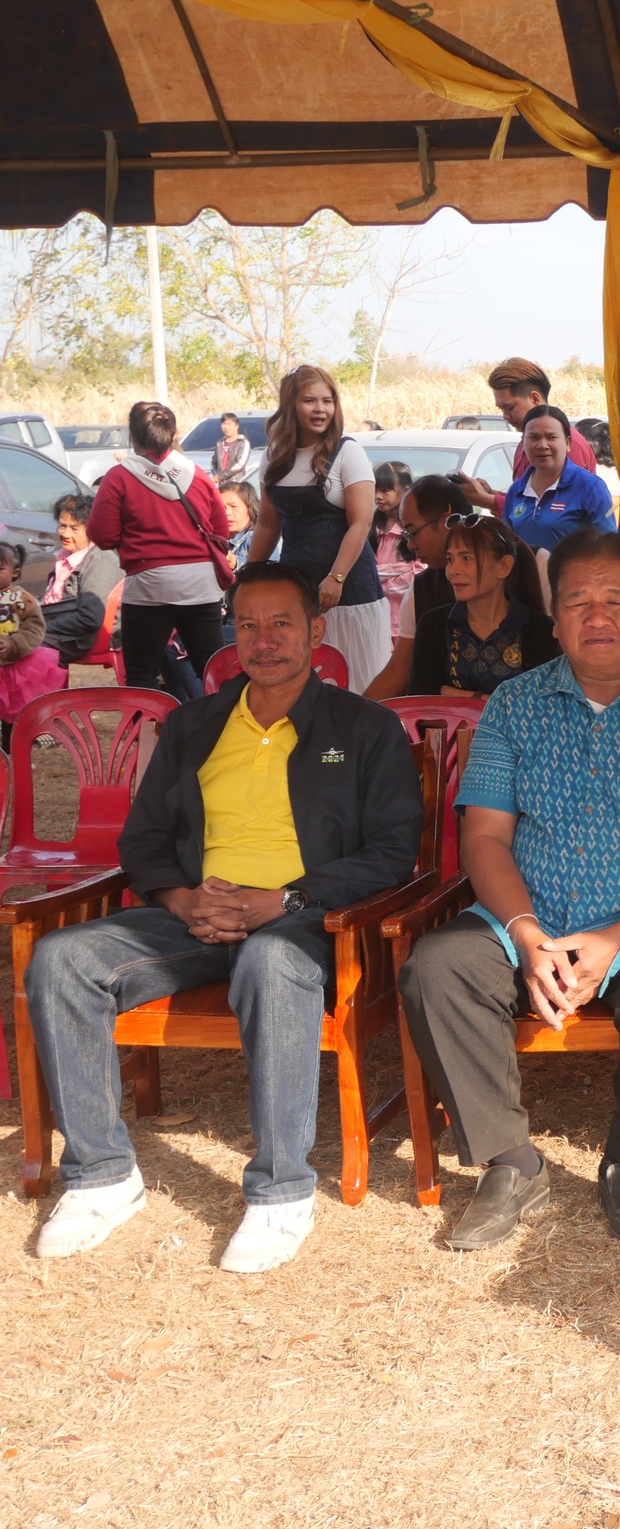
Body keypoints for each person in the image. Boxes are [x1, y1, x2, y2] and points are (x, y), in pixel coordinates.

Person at [24, 562, 423, 1272]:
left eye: (281, 624)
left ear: (317, 631)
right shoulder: (195, 725)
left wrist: (288, 898)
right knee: (62, 959)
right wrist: (184, 900)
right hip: (198, 918)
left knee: (272, 958)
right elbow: (143, 841)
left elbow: (393, 853)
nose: (264, 641)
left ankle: (280, 1192)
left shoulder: (365, 728)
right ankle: (102, 1176)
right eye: (248, 625)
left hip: (309, 919)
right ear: (231, 634)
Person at [397, 529, 620, 1251]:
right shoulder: (512, 705)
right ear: (554, 619)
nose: (597, 617)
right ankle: (511, 1162)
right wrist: (528, 935)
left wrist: (615, 937)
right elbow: (485, 839)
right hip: (528, 916)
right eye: (578, 602)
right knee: (436, 968)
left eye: (615, 600)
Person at [249, 364, 392, 694]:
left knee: (357, 688)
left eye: (327, 401)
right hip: (296, 592)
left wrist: (336, 577)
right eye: (309, 400)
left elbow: (361, 522)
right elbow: (268, 523)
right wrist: (248, 578)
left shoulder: (348, 451)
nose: (320, 409)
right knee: (301, 687)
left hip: (350, 593)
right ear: (290, 405)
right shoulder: (274, 456)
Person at [87, 400, 232, 699]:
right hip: (200, 583)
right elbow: (220, 530)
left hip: (149, 584)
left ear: (132, 434)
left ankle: (150, 728)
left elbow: (102, 535)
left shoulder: (119, 477)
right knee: (211, 671)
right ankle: (223, 725)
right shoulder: (197, 474)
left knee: (142, 674)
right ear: (173, 434)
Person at [406, 513, 559, 698]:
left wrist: (458, 694)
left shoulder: (540, 630)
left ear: (504, 566)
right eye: (450, 559)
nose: (453, 571)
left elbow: (538, 706)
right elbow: (422, 702)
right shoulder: (433, 625)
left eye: (467, 558)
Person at [365, 474, 463, 701]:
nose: (409, 545)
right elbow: (398, 672)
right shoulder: (421, 589)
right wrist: (354, 715)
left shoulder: (534, 564)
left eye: (413, 532)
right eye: (406, 534)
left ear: (446, 521)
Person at [455, 358, 597, 512]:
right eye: (501, 409)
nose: (505, 416)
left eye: (510, 407)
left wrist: (488, 501)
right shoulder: (524, 444)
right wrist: (491, 494)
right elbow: (526, 500)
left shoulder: (570, 446)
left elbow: (557, 512)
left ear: (534, 398)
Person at [504, 404, 616, 554]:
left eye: (552, 437)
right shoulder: (516, 490)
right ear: (523, 443)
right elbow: (508, 546)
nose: (542, 445)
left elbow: (608, 548)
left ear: (567, 443)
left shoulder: (590, 488)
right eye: (534, 437)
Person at [41, 493, 123, 665]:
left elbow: (90, 618)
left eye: (74, 528)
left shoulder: (100, 561)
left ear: (92, 528)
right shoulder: (65, 555)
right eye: (62, 526)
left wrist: (39, 627)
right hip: (59, 628)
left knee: (18, 646)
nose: (65, 533)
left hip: (81, 638)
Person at [0, 542, 67, 736]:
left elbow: (35, 627)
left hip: (15, 669)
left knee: (13, 716)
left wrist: (14, 644)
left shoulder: (21, 598)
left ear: (15, 572)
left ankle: (11, 748)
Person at [373, 460, 424, 633]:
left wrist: (379, 583)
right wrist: (402, 569)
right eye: (375, 490)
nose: (378, 496)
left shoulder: (414, 530)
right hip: (378, 621)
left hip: (406, 622)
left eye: (385, 491)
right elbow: (364, 570)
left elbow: (418, 573)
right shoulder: (370, 529)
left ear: (405, 491)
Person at [219, 482, 258, 569]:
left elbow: (268, 569)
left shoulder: (257, 538)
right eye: (222, 508)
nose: (227, 513)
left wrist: (237, 563)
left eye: (233, 506)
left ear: (249, 508)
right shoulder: (217, 539)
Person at [212, 413, 251, 486]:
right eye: (224, 424)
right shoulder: (219, 443)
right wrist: (215, 475)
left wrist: (221, 476)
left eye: (229, 424)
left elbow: (240, 464)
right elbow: (213, 462)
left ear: (236, 426)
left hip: (236, 485)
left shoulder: (242, 443)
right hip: (221, 485)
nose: (226, 427)